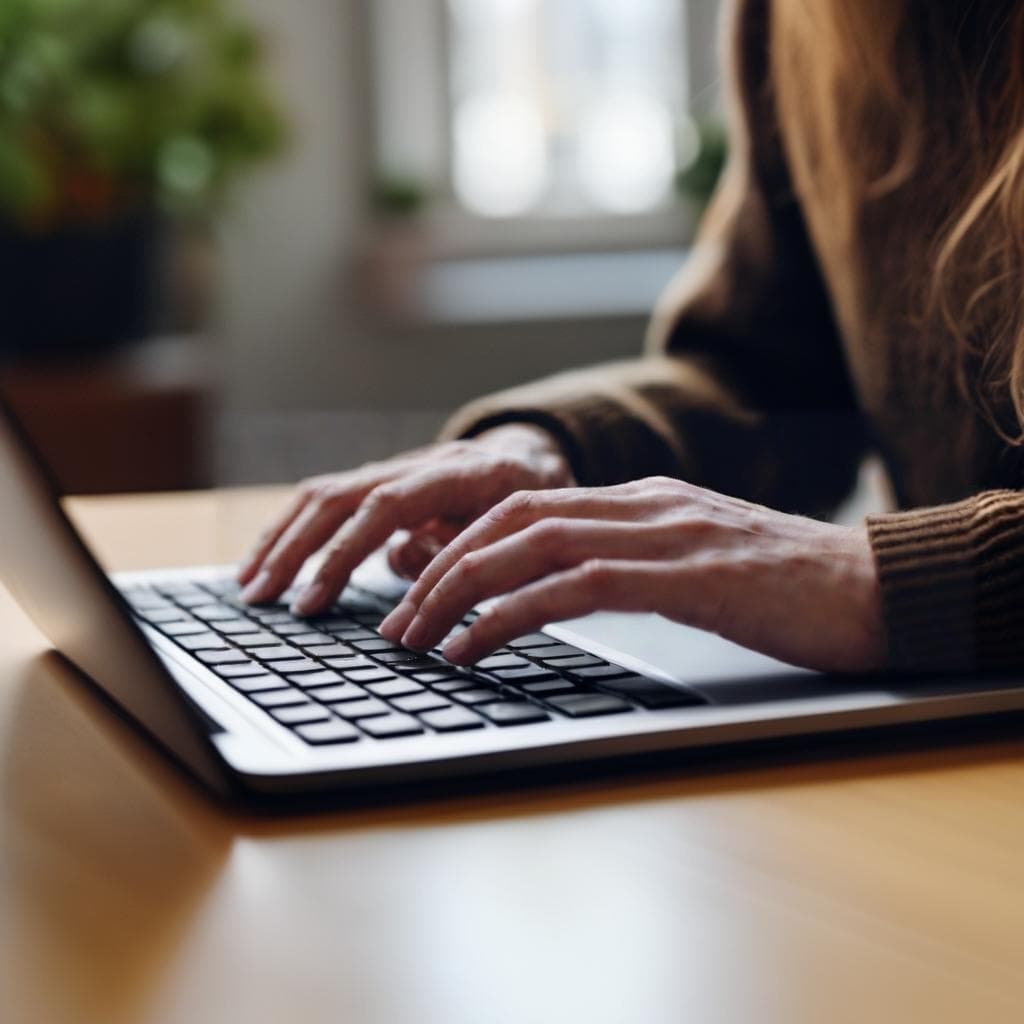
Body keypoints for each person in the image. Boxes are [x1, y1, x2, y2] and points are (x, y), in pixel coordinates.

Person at [238, 0, 1024, 676]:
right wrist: (558, 452)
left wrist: (880, 583)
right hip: (942, 730)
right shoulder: (800, 19)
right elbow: (766, 373)